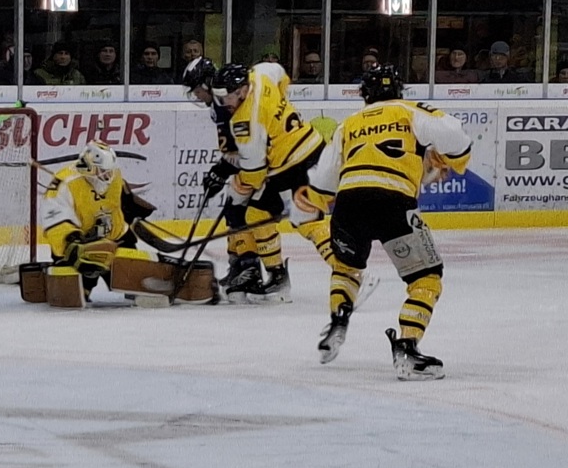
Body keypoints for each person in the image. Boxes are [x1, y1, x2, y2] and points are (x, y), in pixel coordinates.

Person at [305, 64, 471, 380]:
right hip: (393, 201)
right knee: (426, 277)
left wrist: (314, 202)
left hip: (349, 201)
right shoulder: (408, 110)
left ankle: (339, 318)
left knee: (346, 267)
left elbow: (324, 182)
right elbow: (454, 134)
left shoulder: (348, 125)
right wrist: (456, 159)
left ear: (364, 95)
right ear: (399, 90)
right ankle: (407, 347)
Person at [209, 61, 334, 304]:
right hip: (313, 147)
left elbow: (255, 174)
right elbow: (280, 73)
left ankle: (349, 273)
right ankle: (278, 276)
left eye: (227, 98)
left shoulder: (244, 123)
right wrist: (278, 112)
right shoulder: (260, 75)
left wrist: (237, 189)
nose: (225, 104)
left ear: (242, 91)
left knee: (307, 222)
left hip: (292, 166)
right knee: (257, 214)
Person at [182, 57, 262, 302]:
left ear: (207, 84)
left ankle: (249, 267)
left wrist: (222, 169)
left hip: (260, 163)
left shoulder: (225, 103)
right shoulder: (221, 103)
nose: (196, 96)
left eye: (197, 91)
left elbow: (244, 144)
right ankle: (239, 264)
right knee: (233, 210)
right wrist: (223, 168)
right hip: (250, 163)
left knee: (238, 211)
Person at [42, 141, 136, 300]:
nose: (109, 176)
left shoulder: (114, 176)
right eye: (103, 171)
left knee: (134, 278)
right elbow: (55, 220)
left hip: (115, 238)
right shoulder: (65, 182)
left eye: (110, 171)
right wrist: (73, 241)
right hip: (80, 245)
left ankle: (131, 284)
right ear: (90, 168)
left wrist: (132, 205)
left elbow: (116, 202)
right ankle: (81, 286)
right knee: (73, 292)